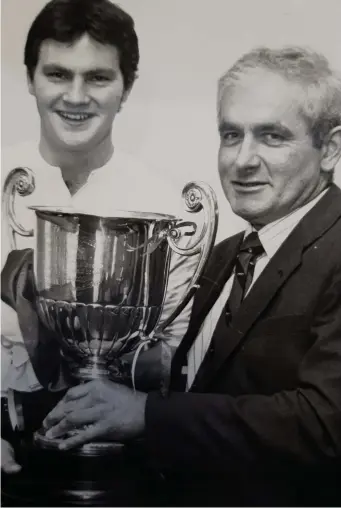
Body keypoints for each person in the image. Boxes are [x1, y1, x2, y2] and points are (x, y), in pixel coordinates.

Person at [40, 46, 341, 506]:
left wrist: (147, 415)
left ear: (330, 149)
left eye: (272, 137)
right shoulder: (226, 255)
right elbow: (200, 381)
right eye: (230, 134)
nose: (242, 160)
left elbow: (325, 424)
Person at [1, 0, 198, 479]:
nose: (75, 96)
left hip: (120, 456)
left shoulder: (164, 208)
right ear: (30, 79)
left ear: (126, 89)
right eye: (57, 74)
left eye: (97, 78)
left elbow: (166, 361)